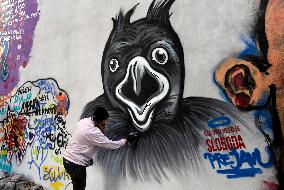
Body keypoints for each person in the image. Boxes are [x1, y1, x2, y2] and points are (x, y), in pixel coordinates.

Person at [63, 106, 128, 190]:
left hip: (68, 160)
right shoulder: (93, 132)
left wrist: (86, 157)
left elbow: (82, 141)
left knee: (78, 187)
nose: (105, 122)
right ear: (100, 120)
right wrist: (126, 140)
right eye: (104, 120)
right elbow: (110, 144)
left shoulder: (84, 121)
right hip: (76, 164)